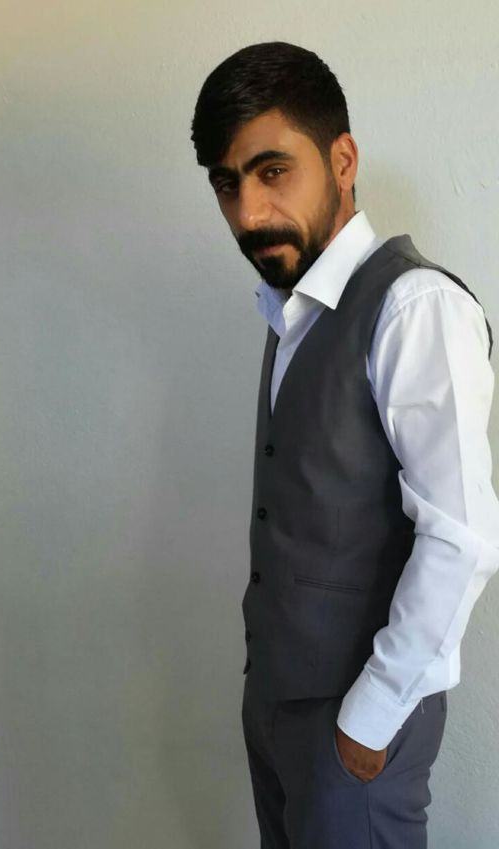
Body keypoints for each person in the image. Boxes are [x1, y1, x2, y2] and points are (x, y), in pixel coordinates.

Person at [190, 41, 499, 849]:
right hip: (279, 712)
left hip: (355, 728)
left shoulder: (414, 307)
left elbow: (463, 536)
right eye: (227, 184)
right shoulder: (291, 310)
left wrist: (366, 721)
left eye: (272, 171)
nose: (249, 213)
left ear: (343, 160)